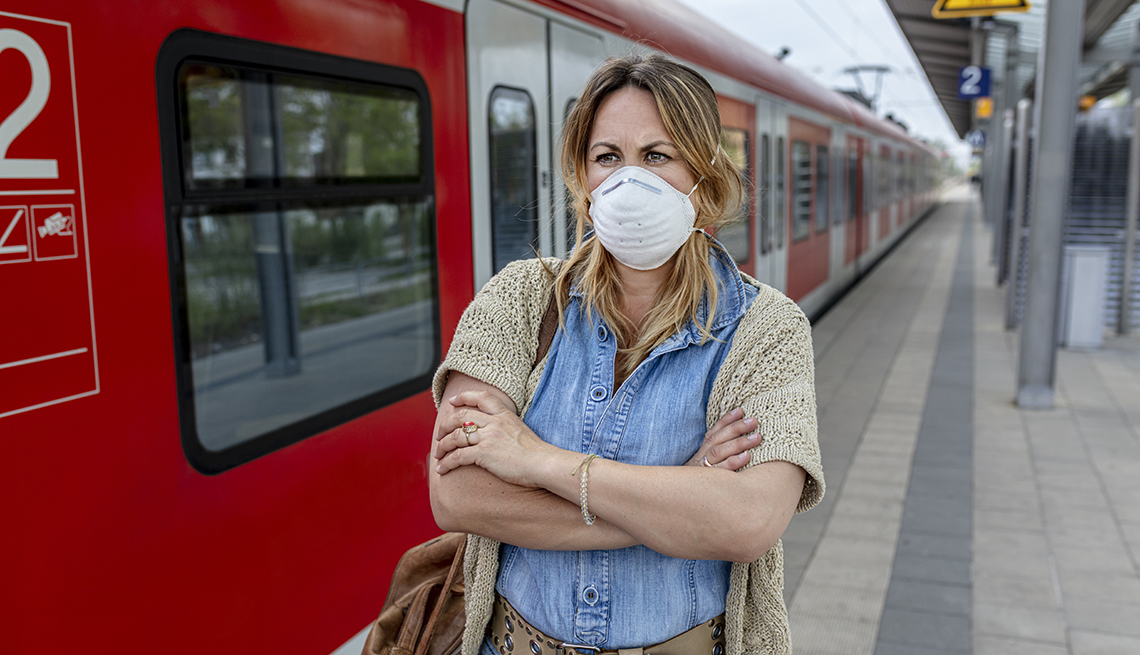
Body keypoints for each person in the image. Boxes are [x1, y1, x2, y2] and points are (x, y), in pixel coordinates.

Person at [429, 52, 824, 655]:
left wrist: (535, 460)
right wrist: (681, 497)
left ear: (705, 176)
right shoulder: (519, 298)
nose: (627, 180)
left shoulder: (769, 328)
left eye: (657, 156)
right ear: (582, 177)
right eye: (606, 156)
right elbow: (457, 494)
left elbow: (747, 523)